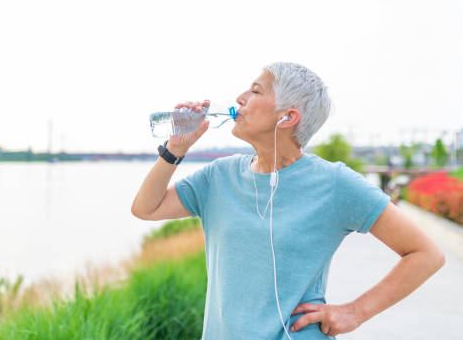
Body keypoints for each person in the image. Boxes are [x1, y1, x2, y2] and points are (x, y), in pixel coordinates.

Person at [131, 62, 445, 339]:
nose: (240, 97)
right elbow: (146, 208)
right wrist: (176, 149)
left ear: (288, 116)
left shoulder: (334, 184)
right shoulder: (219, 176)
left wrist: (356, 311)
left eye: (255, 91)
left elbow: (426, 254)